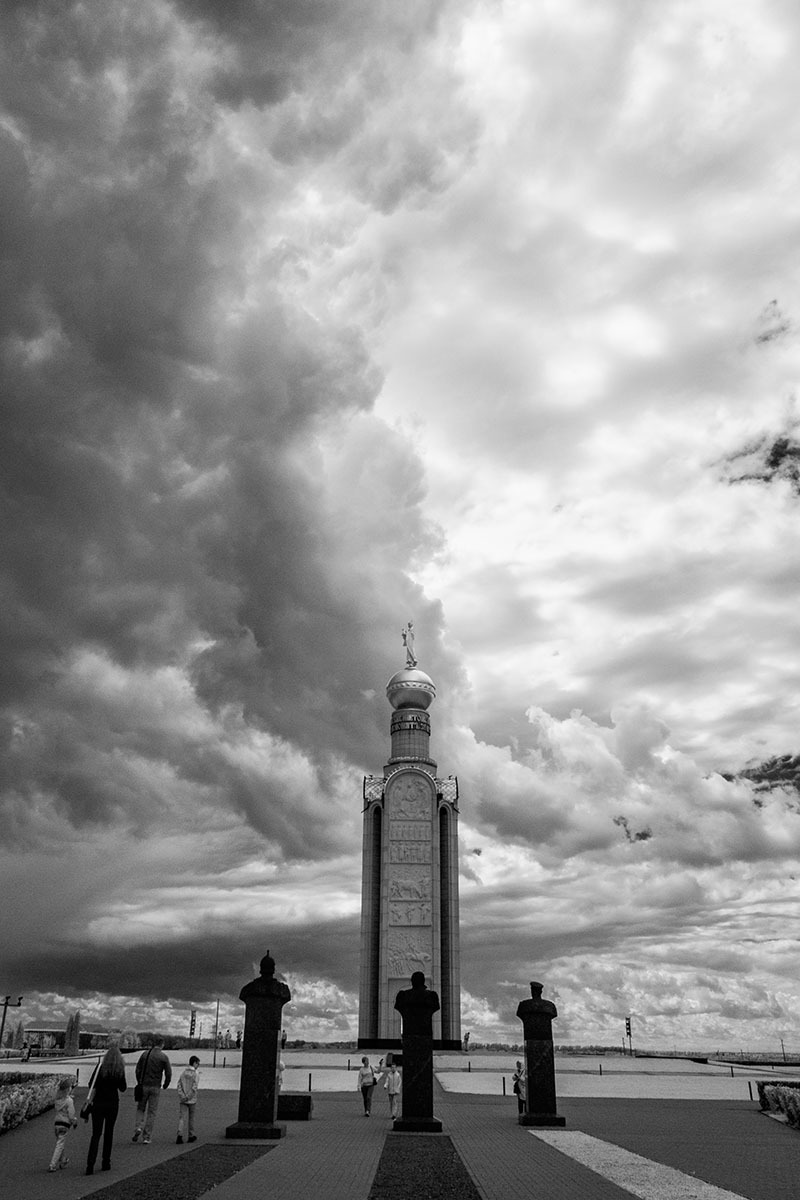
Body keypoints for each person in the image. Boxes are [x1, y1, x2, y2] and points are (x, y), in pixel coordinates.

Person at [86, 1044, 127, 1175]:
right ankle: (106, 1162)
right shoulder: (119, 1069)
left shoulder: (100, 1068)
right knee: (109, 1134)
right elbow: (123, 1088)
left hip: (98, 1103)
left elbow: (90, 1084)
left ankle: (90, 1164)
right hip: (112, 1104)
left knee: (96, 1134)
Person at [132, 1036, 172, 1144]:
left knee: (141, 1108)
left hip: (144, 1085)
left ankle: (138, 1127)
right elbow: (168, 1073)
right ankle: (147, 1136)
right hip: (155, 1086)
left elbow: (138, 1069)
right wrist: (165, 1084)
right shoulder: (163, 1057)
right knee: (152, 1112)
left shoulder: (145, 1054)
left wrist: (139, 1081)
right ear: (162, 1044)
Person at [48, 1077, 77, 1172]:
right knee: (60, 1144)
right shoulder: (69, 1101)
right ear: (68, 1089)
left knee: (60, 1143)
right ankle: (52, 1164)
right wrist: (74, 1121)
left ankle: (63, 1160)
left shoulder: (58, 1100)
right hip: (65, 1124)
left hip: (56, 1123)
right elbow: (71, 1114)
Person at [175, 1056, 200, 1145]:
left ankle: (179, 1135)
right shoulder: (196, 1073)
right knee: (191, 1118)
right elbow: (194, 1087)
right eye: (197, 1063)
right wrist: (188, 1096)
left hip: (183, 1099)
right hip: (192, 1099)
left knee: (182, 1118)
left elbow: (179, 1085)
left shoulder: (183, 1073)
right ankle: (191, 1135)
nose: (198, 1066)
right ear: (194, 1063)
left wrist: (182, 1096)